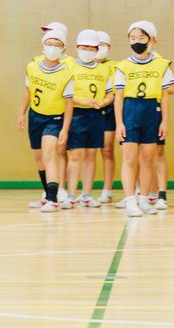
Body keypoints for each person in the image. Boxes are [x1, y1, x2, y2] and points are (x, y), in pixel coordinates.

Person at [114, 21, 173, 217]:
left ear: (150, 39)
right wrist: (119, 123)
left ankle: (144, 199)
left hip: (152, 111)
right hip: (130, 111)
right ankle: (130, 200)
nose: (136, 41)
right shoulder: (123, 66)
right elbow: (119, 96)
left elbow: (165, 95)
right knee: (130, 158)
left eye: (141, 38)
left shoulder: (161, 65)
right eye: (133, 38)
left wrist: (165, 121)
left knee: (147, 159)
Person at [19, 29, 74, 212]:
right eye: (50, 44)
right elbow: (28, 92)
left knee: (49, 155)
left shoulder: (66, 74)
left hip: (55, 118)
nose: (53, 48)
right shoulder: (32, 67)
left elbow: (69, 103)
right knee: (39, 158)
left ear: (63, 48)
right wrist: (22, 113)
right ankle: (47, 194)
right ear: (42, 46)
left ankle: (53, 198)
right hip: (35, 116)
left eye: (57, 45)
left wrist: (65, 128)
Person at [64, 30, 113, 209]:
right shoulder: (69, 67)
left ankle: (86, 194)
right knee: (76, 155)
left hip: (96, 115)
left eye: (91, 48)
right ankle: (71, 195)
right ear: (77, 47)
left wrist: (104, 102)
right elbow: (65, 93)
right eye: (84, 47)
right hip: (76, 114)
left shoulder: (103, 69)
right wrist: (82, 101)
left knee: (92, 155)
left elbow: (110, 93)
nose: (87, 51)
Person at [95, 31, 118, 205]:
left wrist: (105, 102)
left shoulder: (116, 66)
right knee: (85, 152)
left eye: (104, 45)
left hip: (110, 109)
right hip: (87, 108)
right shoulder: (81, 66)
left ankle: (107, 189)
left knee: (107, 149)